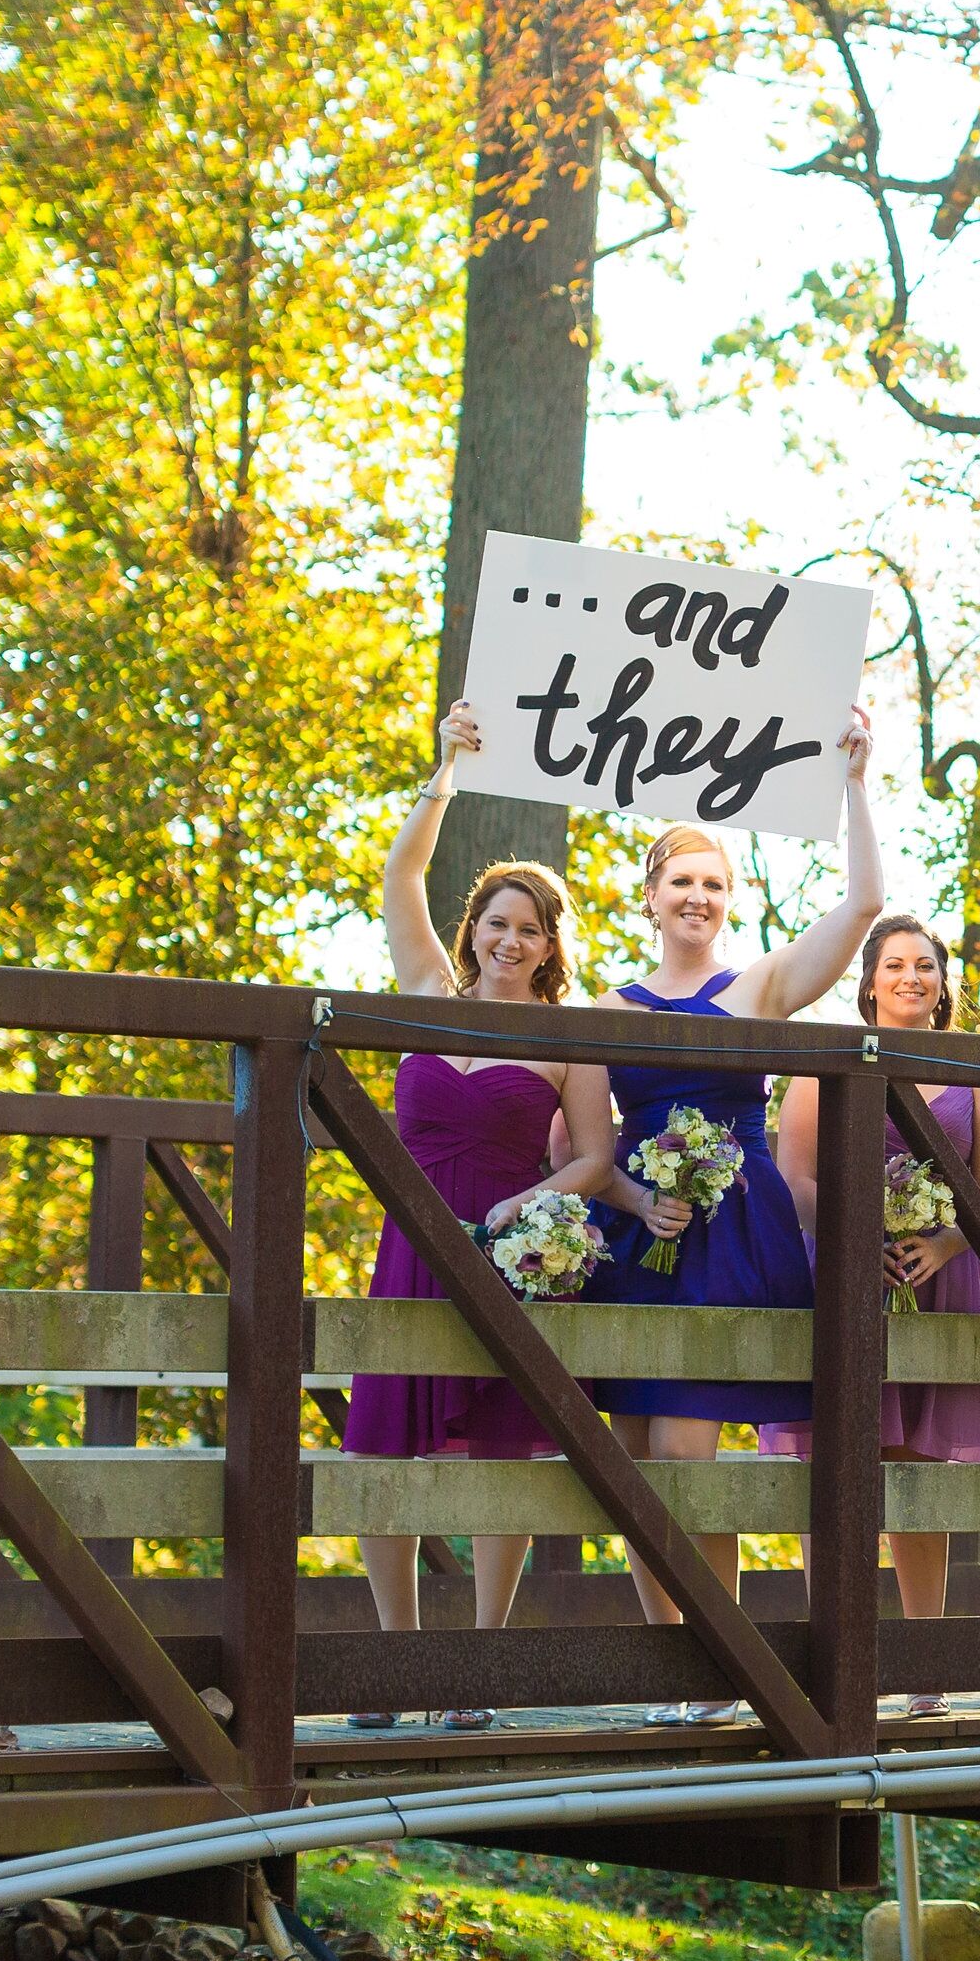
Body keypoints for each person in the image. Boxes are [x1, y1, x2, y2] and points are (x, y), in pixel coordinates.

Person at [586, 712, 884, 1726]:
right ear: (650, 896)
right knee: (632, 1446)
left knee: (690, 1442)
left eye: (713, 884)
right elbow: (576, 1130)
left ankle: (720, 1657)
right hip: (643, 1227)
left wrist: (853, 781)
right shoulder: (607, 1008)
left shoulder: (755, 983)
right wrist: (631, 1198)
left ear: (728, 899)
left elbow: (864, 906)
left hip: (732, 1228)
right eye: (681, 882)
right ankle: (670, 1659)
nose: (698, 898)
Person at [348, 705, 619, 1730]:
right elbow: (397, 878)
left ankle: (476, 1663)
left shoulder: (567, 1036)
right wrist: (448, 769)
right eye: (496, 922)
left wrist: (530, 1200)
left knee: (506, 1451)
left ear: (550, 945)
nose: (510, 939)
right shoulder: (425, 990)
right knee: (382, 1449)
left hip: (513, 1251)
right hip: (412, 1247)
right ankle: (394, 1661)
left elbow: (593, 1156)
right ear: (474, 931)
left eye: (529, 927)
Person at [766, 915, 980, 1720]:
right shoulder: (826, 1061)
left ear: (943, 981)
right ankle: (836, 1652)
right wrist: (859, 1231)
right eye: (895, 964)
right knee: (836, 1468)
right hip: (841, 1272)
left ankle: (923, 1661)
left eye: (926, 965)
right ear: (869, 981)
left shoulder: (971, 1069)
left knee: (917, 1471)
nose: (911, 977)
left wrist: (941, 1242)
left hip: (940, 1278)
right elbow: (793, 1173)